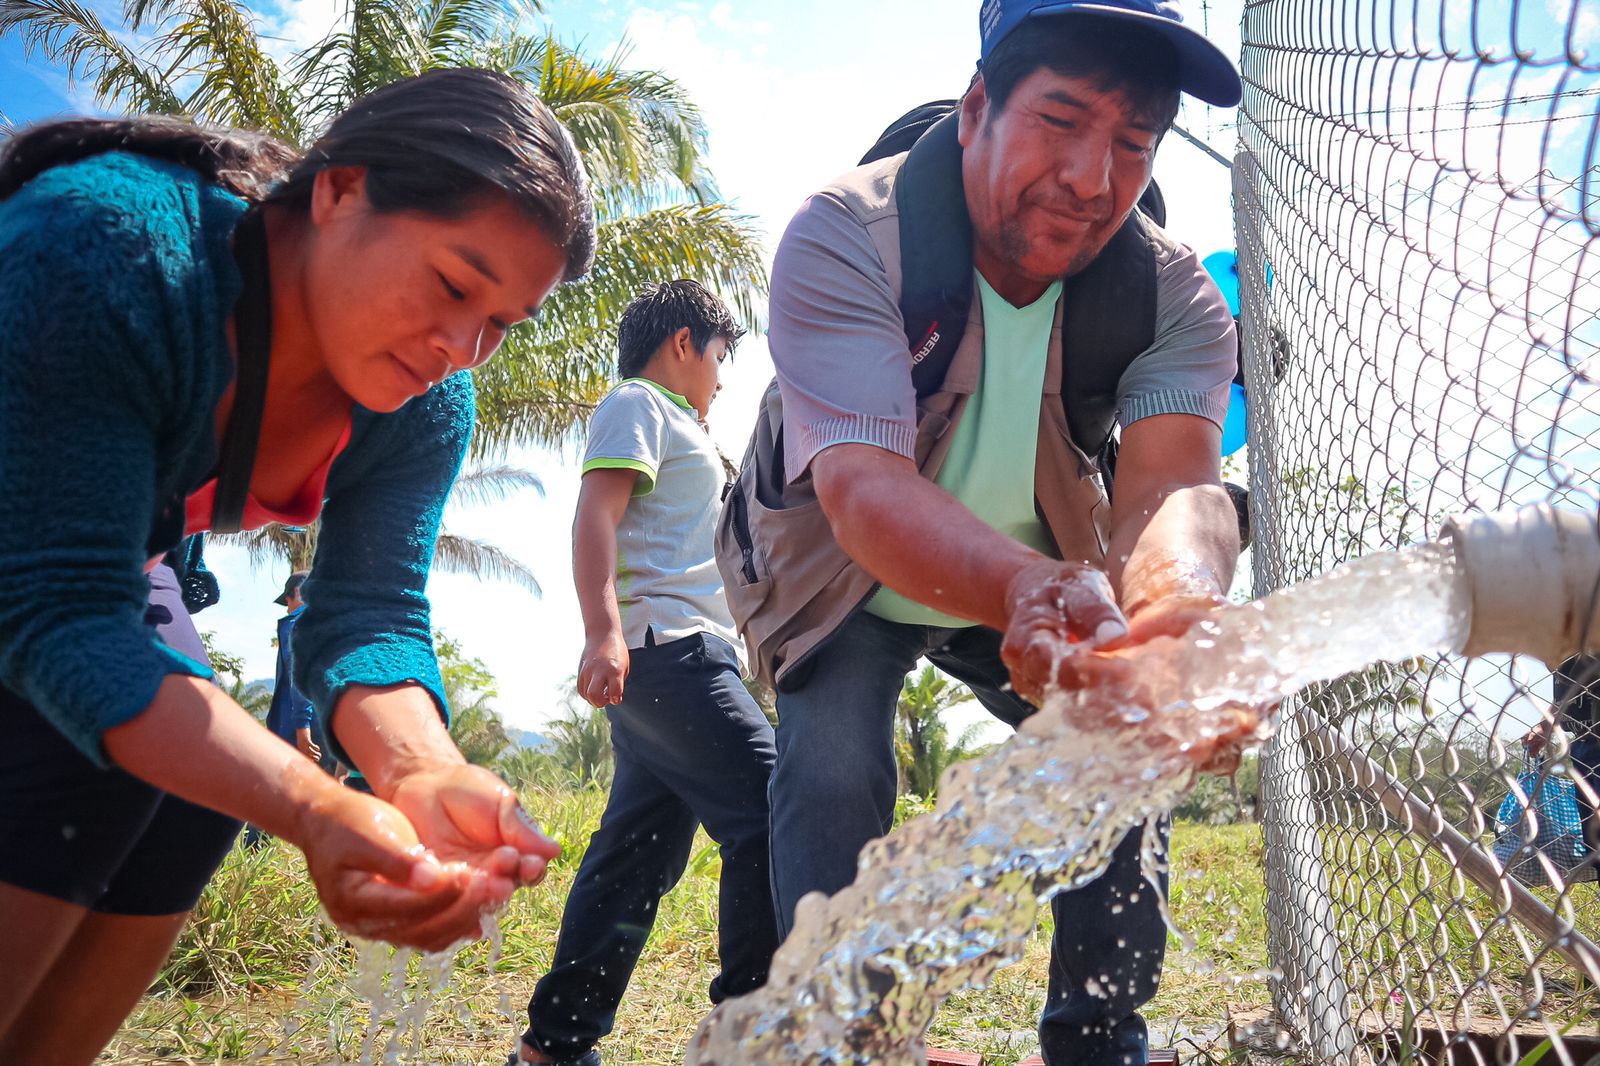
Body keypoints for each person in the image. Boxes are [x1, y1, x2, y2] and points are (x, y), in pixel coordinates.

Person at [0, 67, 596, 1063]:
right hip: (35, 545)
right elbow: (58, 606)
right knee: (81, 758)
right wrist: (315, 806)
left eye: (500, 324)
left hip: (82, 566)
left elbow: (368, 615)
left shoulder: (425, 401)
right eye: (454, 284)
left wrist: (422, 774)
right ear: (338, 189)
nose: (460, 346)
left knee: (198, 783)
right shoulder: (110, 248)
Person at [718, 3, 1243, 1063]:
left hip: (1048, 574)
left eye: (1133, 142)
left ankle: (1098, 1041)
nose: (1093, 179)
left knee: (1123, 753)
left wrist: (1169, 621)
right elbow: (863, 488)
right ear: (973, 110)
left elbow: (1174, 491)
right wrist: (1024, 588)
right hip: (849, 576)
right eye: (1059, 119)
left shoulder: (1174, 296)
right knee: (830, 775)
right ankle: (846, 1040)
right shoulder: (845, 236)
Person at [512, 281, 779, 1066]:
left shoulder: (685, 426)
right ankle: (746, 1033)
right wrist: (602, 633)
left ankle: (553, 1046)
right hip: (667, 650)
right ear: (684, 343)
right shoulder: (639, 404)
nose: (723, 377)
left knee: (635, 857)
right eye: (721, 355)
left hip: (677, 658)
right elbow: (596, 513)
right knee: (770, 804)